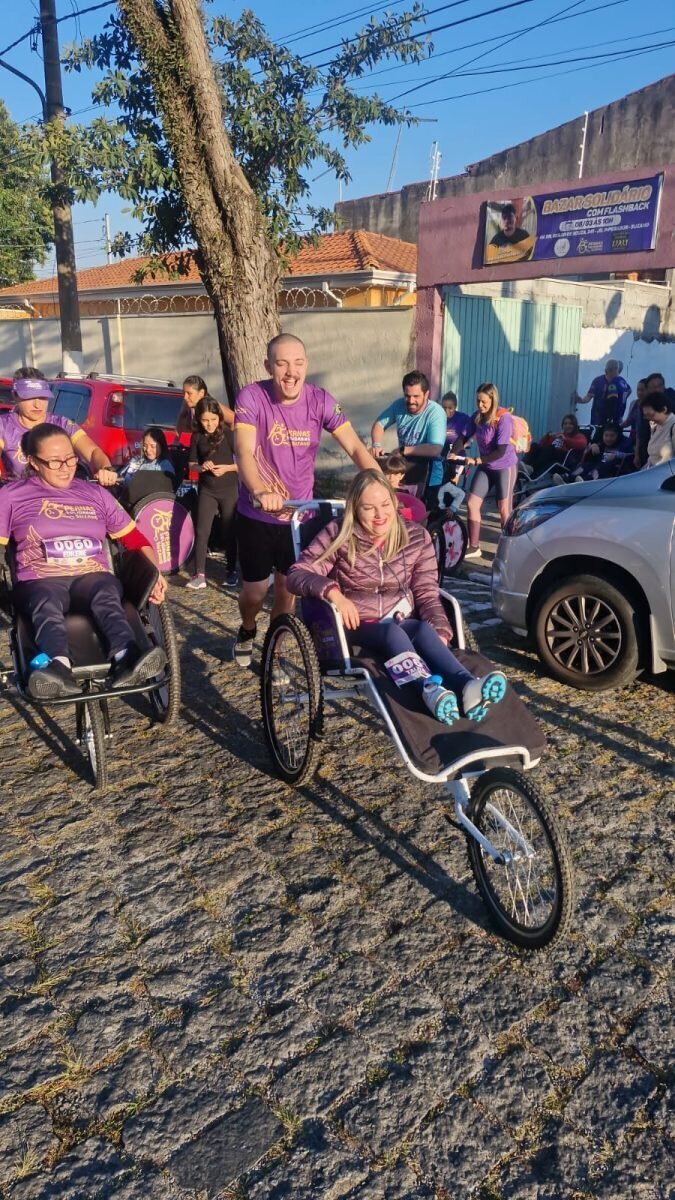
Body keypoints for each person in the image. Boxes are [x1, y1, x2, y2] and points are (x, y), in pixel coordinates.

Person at [286, 470, 507, 725]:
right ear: (355, 509)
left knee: (422, 630)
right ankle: (427, 689)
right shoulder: (338, 534)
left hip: (401, 620)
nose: (379, 515)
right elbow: (297, 573)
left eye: (385, 505)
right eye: (368, 508)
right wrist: (333, 593)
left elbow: (426, 591)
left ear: (394, 502)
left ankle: (467, 687)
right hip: (356, 626)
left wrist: (440, 630)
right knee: (392, 633)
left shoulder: (415, 537)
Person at [232, 332, 377, 666]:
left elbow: (355, 447)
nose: (291, 372)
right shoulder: (252, 397)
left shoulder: (320, 400)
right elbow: (243, 451)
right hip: (258, 514)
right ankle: (248, 628)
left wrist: (381, 488)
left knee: (287, 590)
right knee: (255, 593)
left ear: (306, 365)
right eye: (282, 364)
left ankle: (274, 654)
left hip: (300, 515)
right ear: (268, 366)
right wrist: (259, 491)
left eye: (298, 363)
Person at [0, 424, 167, 700]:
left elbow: (134, 538)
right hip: (40, 580)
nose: (66, 468)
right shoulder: (11, 496)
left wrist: (156, 573)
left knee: (106, 591)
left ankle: (127, 656)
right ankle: (58, 667)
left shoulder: (94, 494)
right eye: (55, 462)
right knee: (45, 601)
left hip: (90, 577)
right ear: (33, 462)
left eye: (70, 459)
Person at [0, 376, 117, 486]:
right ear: (15, 396)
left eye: (43, 397)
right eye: (30, 398)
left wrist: (105, 469)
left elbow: (92, 452)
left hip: (60, 494)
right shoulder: (4, 425)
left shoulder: (63, 424)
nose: (37, 405)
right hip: (20, 495)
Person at [449, 382, 517, 561]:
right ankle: (474, 547)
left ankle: (509, 551)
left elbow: (501, 451)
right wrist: (453, 453)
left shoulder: (503, 419)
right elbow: (464, 437)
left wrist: (478, 460)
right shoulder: (477, 417)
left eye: (484, 402)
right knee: (472, 503)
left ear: (493, 400)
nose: (480, 405)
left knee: (504, 509)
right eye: (478, 401)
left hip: (504, 466)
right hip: (486, 467)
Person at [371, 371, 447, 506]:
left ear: (426, 394)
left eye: (416, 396)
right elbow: (379, 425)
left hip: (429, 472)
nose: (411, 401)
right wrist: (376, 445)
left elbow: (435, 449)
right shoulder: (398, 405)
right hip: (404, 466)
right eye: (407, 396)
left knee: (420, 511)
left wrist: (403, 450)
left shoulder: (436, 413)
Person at [187, 396, 238, 590]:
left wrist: (227, 468)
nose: (209, 424)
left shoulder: (229, 435)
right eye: (205, 420)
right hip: (207, 490)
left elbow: (244, 462)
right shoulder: (197, 437)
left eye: (213, 419)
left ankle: (231, 571)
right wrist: (202, 467)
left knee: (229, 530)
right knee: (202, 530)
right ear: (199, 419)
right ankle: (199, 574)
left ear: (219, 418)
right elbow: (192, 464)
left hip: (229, 489)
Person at [553, 421, 631, 484]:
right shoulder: (601, 444)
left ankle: (584, 481)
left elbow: (629, 455)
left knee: (599, 468)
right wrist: (592, 447)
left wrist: (616, 455)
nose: (608, 438)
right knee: (585, 465)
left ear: (618, 436)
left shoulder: (623, 445)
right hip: (597, 465)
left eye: (612, 436)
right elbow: (590, 455)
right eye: (606, 435)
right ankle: (568, 478)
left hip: (610, 470)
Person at [522, 414, 587, 477]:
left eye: (570, 424)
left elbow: (582, 444)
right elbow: (541, 444)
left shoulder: (579, 436)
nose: (567, 426)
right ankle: (524, 465)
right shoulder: (559, 434)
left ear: (575, 425)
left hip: (563, 458)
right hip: (550, 454)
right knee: (534, 446)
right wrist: (547, 437)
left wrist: (565, 439)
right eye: (565, 424)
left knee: (550, 449)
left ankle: (532, 468)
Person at [634, 373, 675, 468]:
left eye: (659, 386)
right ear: (647, 389)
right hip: (648, 455)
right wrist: (637, 454)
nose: (657, 389)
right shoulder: (644, 405)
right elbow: (641, 431)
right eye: (653, 387)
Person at [175, 375, 234, 439]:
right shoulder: (188, 404)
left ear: (201, 393)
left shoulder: (212, 406)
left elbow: (234, 419)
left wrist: (230, 441)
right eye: (184, 393)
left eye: (189, 393)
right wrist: (178, 437)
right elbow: (181, 417)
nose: (185, 397)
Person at [575, 360, 631, 427]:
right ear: (607, 371)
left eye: (617, 370)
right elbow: (589, 396)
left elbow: (629, 391)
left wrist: (621, 401)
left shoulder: (620, 381)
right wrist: (581, 400)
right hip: (598, 418)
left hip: (615, 419)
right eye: (614, 371)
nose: (616, 374)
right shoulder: (598, 381)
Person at [380, 452, 428, 523]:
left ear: (401, 476)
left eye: (395, 474)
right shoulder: (381, 489)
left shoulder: (409, 489)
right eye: (388, 473)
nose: (391, 477)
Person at [640, 394, 675, 469]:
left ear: (664, 410)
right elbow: (652, 456)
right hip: (652, 471)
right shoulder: (655, 425)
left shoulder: (673, 426)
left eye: (651, 415)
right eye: (645, 415)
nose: (648, 418)